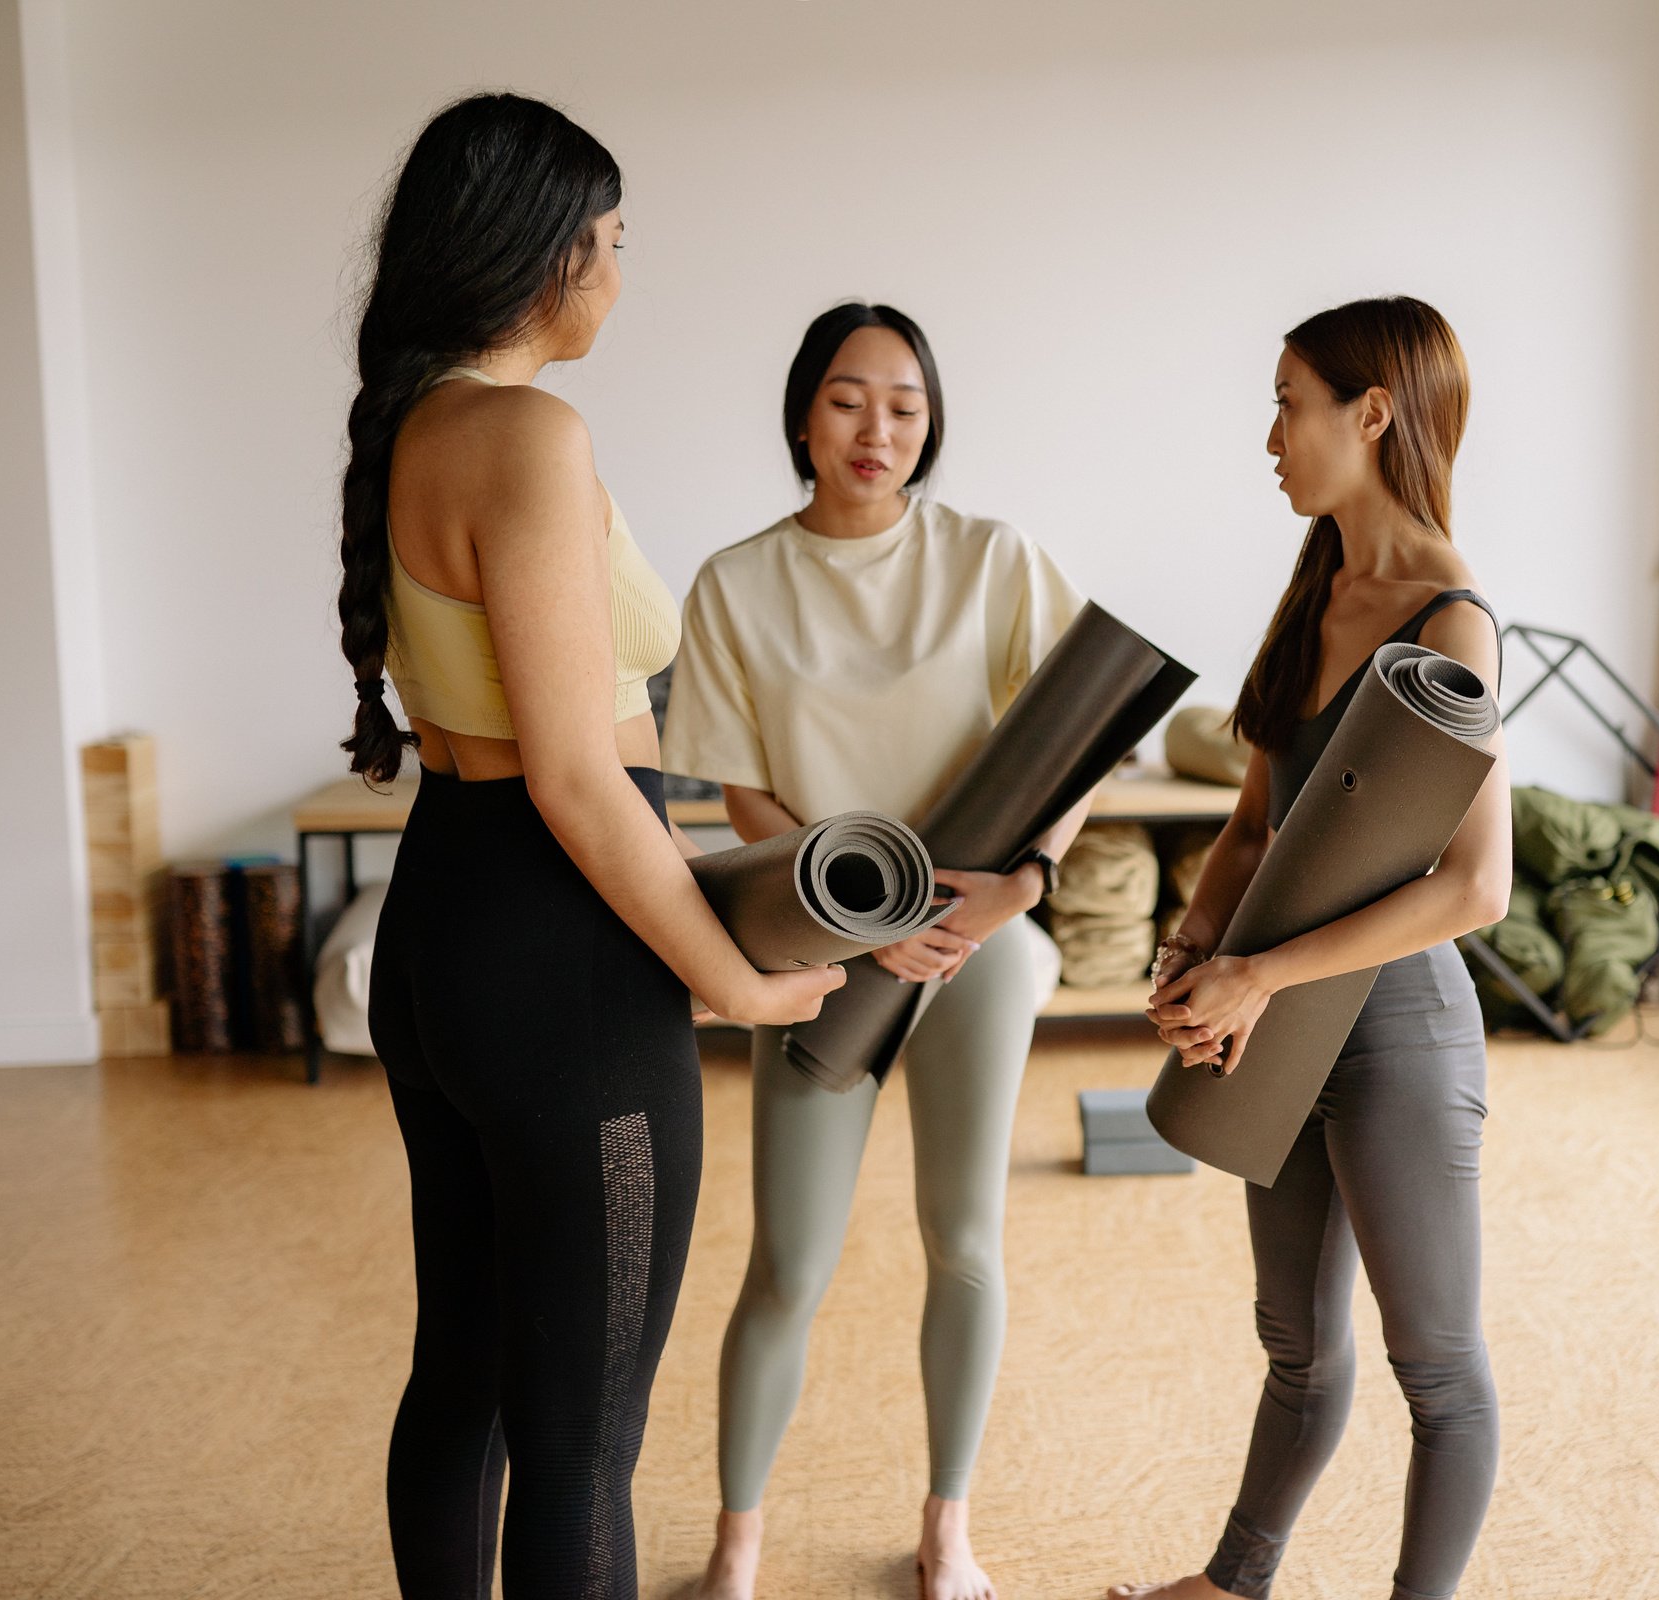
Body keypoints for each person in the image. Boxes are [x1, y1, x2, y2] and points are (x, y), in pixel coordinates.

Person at [340, 93, 843, 1600]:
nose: (622, 275)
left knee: (466, 1382)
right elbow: (573, 770)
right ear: (550, 256)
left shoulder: (413, 423)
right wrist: (733, 984)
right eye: (615, 243)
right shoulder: (527, 434)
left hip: (444, 926)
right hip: (559, 961)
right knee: (580, 1443)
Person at [663, 302, 1087, 1600]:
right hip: (827, 954)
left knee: (964, 1237)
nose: (878, 429)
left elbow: (1086, 727)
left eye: (905, 404)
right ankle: (737, 1544)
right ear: (802, 413)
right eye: (849, 400)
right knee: (789, 1261)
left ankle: (947, 1528)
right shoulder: (736, 583)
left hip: (975, 947)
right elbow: (742, 798)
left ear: (931, 423)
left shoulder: (994, 558)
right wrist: (863, 923)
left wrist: (1025, 884)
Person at [1109, 296, 1512, 1600]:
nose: (1271, 434)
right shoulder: (1316, 592)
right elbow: (1252, 824)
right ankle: (1234, 1584)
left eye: (1289, 403)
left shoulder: (1450, 622)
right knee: (1295, 1341)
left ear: (1371, 414)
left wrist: (1261, 974)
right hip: (1274, 1018)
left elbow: (1476, 887)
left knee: (1437, 1370)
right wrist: (1193, 943)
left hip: (1396, 1027)